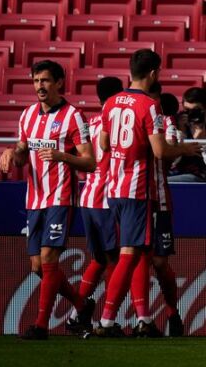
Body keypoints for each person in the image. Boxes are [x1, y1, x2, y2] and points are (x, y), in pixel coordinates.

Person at [94, 49, 200, 337]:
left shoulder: (111, 102)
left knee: (141, 254)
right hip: (140, 190)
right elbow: (160, 151)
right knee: (132, 253)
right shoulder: (150, 107)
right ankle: (106, 320)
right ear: (154, 73)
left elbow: (103, 145)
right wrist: (186, 149)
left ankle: (146, 317)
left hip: (114, 189)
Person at [0, 60, 97, 340]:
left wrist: (62, 156)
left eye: (45, 80)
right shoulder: (27, 115)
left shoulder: (73, 117)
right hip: (34, 198)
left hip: (60, 197)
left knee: (48, 257)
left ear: (59, 83)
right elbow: (21, 150)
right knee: (38, 266)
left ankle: (41, 326)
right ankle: (82, 304)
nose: (39, 86)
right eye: (36, 80)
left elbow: (90, 162)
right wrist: (10, 153)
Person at [66, 77, 124, 333]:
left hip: (87, 199)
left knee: (99, 258)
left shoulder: (90, 123)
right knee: (114, 260)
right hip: (107, 200)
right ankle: (106, 321)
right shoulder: (117, 122)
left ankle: (74, 314)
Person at [149, 91, 185, 336]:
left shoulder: (167, 122)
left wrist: (177, 147)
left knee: (159, 262)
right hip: (129, 198)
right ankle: (139, 318)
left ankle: (172, 312)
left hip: (158, 200)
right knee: (125, 258)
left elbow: (170, 149)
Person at [168, 87, 206, 182]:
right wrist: (181, 132)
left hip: (199, 174)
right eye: (187, 110)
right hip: (178, 172)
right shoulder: (176, 122)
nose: (191, 114)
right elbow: (171, 160)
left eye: (196, 110)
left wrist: (201, 136)